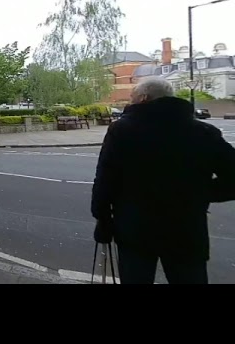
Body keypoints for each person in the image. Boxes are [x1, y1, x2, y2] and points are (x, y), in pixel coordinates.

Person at [91, 77, 235, 284]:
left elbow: (105, 179)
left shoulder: (122, 130)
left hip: (135, 228)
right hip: (186, 228)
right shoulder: (203, 132)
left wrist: (103, 219)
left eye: (132, 97)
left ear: (143, 98)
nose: (129, 102)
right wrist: (199, 193)